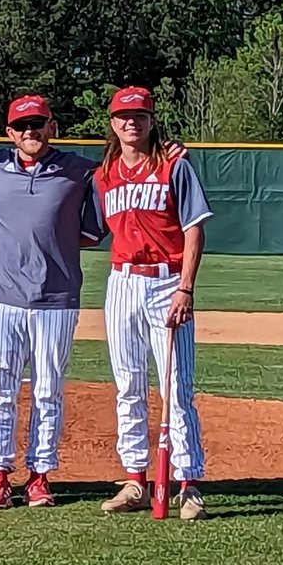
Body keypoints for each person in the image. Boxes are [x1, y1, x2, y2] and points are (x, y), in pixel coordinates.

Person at [92, 86, 212, 520]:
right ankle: (135, 480)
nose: (132, 122)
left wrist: (185, 288)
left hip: (166, 282)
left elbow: (195, 228)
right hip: (122, 281)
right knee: (128, 385)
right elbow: (87, 228)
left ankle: (189, 483)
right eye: (124, 115)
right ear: (112, 123)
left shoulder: (174, 165)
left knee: (176, 386)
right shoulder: (103, 175)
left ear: (151, 120)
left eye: (140, 115)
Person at [0, 94, 102, 509]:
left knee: (48, 388)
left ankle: (39, 476)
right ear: (9, 132)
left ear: (53, 126)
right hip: (2, 295)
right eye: (22, 126)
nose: (30, 131)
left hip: (57, 296)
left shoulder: (80, 171)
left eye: (38, 123)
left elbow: (102, 213)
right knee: (1, 387)